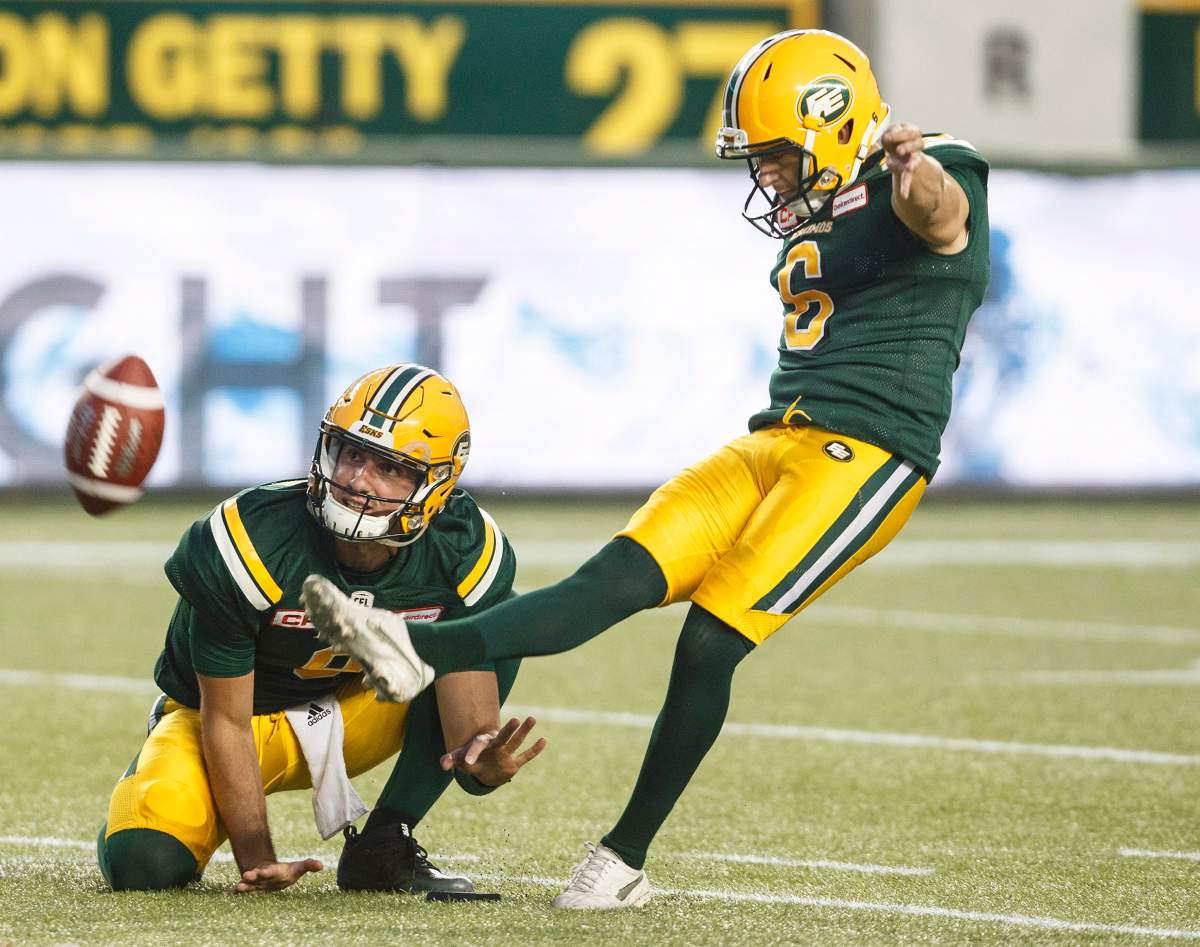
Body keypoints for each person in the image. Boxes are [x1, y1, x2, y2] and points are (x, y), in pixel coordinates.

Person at [303, 29, 989, 908]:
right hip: (774, 435)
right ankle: (407, 651)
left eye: (777, 155)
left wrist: (906, 169)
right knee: (610, 580)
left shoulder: (932, 165)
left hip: (869, 453)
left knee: (710, 639)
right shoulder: (823, 202)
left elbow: (940, 216)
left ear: (833, 120)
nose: (767, 177)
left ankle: (620, 858)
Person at [97, 363, 545, 893]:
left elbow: (469, 747)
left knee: (497, 626)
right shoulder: (253, 538)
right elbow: (227, 721)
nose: (358, 482)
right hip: (221, 720)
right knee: (143, 864)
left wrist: (483, 764)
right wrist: (257, 857)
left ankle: (385, 844)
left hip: (355, 712)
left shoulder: (464, 549)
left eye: (389, 468)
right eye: (352, 453)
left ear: (436, 485)